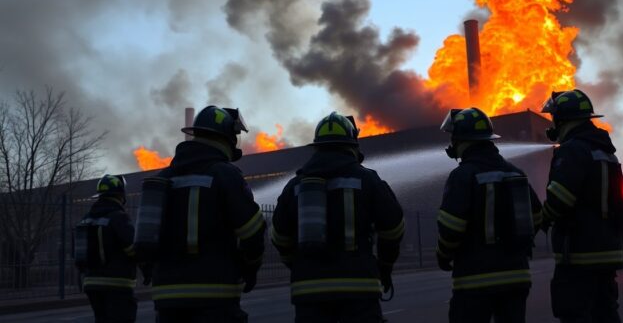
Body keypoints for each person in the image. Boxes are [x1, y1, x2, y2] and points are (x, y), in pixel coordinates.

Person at [271, 112, 405, 323]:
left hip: (309, 292)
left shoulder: (294, 186)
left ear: (316, 147)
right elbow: (394, 227)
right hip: (359, 291)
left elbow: (279, 236)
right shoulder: (368, 180)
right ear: (352, 145)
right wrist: (384, 266)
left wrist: (297, 263)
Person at [149, 106, 265, 322]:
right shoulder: (226, 174)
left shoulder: (162, 179)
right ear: (226, 136)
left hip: (167, 297)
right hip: (216, 294)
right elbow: (253, 231)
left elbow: (145, 238)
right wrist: (251, 266)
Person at [436, 107, 543, 323]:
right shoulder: (515, 172)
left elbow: (451, 227)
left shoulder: (462, 175)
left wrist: (443, 254)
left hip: (474, 281)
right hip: (517, 277)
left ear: (462, 139)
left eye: (453, 137)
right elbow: (538, 216)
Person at [540, 89, 623, 323]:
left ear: (563, 119)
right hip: (608, 249)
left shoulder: (572, 149)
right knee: (605, 313)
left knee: (574, 313)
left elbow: (560, 197)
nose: (552, 123)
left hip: (579, 252)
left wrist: (542, 218)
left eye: (553, 117)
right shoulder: (606, 152)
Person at [75, 174, 137, 323]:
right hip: (117, 285)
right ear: (121, 195)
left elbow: (79, 255)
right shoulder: (119, 217)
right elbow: (133, 248)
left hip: (91, 284)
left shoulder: (86, 219)